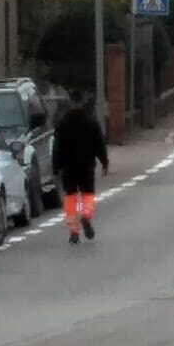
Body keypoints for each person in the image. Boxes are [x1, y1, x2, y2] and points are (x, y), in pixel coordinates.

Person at [52, 90, 109, 245]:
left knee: (70, 196)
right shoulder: (91, 122)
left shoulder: (62, 124)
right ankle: (86, 216)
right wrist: (104, 161)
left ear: (70, 102)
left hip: (68, 167)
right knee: (87, 194)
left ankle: (74, 230)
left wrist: (55, 168)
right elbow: (99, 143)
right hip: (86, 165)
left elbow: (57, 147)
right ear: (83, 101)